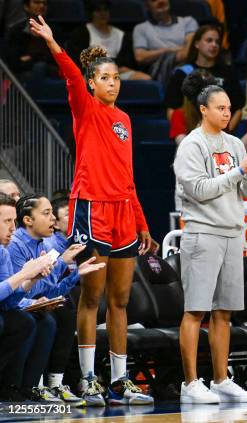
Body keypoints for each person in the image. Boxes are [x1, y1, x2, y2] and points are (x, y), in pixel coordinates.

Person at [30, 16, 157, 406]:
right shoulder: (85, 108)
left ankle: (119, 381)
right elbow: (70, 74)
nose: (113, 82)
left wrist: (141, 221)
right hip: (91, 208)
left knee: (119, 300)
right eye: (105, 77)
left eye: (116, 77)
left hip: (123, 213)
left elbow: (128, 175)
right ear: (92, 84)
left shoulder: (124, 119)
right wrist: (54, 43)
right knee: (92, 297)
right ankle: (87, 378)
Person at [174, 80, 247, 404]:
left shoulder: (235, 143)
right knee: (196, 310)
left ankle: (222, 379)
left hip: (232, 232)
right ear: (203, 110)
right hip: (203, 232)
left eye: (228, 108)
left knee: (224, 312)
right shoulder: (192, 146)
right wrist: (240, 169)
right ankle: (191, 383)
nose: (227, 113)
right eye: (220, 108)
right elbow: (200, 190)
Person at [8, 194, 105, 405]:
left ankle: (46, 384)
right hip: (13, 306)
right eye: (46, 213)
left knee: (61, 310)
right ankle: (23, 387)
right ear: (28, 220)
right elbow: (24, 292)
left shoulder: (41, 244)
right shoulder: (15, 246)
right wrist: (61, 263)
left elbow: (47, 291)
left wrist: (76, 274)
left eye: (53, 213)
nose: (52, 218)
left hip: (20, 303)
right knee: (39, 320)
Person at [0, 193, 54, 401]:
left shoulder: (2, 252)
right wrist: (23, 274)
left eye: (14, 221)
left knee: (22, 321)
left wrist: (32, 278)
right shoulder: (13, 248)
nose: (13, 228)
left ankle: (19, 386)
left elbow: (8, 303)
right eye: (7, 221)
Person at [164, 24, 244, 130]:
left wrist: (226, 133)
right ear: (197, 44)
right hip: (190, 133)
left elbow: (238, 109)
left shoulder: (228, 72)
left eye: (217, 42)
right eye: (209, 40)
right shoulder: (182, 73)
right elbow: (171, 110)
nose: (214, 45)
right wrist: (188, 136)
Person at [66, 0, 151, 81]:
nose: (103, 14)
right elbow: (79, 61)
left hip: (117, 72)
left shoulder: (121, 35)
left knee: (145, 78)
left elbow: (125, 64)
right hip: (92, 73)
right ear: (91, 13)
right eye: (98, 10)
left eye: (105, 10)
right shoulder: (81, 33)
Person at [132, 0, 198, 82]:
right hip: (158, 70)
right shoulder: (140, 28)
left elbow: (188, 52)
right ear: (147, 6)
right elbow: (140, 57)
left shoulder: (188, 22)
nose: (160, 1)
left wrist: (156, 54)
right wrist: (169, 50)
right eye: (154, 0)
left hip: (186, 65)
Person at [5, 0, 60, 79]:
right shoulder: (16, 31)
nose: (41, 6)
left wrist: (31, 58)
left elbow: (58, 60)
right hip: (23, 77)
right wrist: (40, 58)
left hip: (51, 74)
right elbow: (14, 63)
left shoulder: (54, 30)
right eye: (37, 2)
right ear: (26, 7)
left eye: (44, 3)